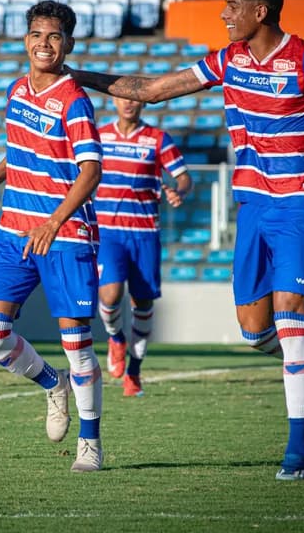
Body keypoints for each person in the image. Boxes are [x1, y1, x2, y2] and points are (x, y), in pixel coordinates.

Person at [67, 0, 304, 480]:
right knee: (254, 331)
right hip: (252, 207)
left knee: (292, 319)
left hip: (301, 206)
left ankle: (297, 451)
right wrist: (76, 76)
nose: (224, 14)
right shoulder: (228, 61)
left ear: (259, 11)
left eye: (231, 6)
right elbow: (153, 90)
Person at [0, 1, 105, 472]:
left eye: (54, 36)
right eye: (36, 34)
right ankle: (52, 384)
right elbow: (17, 151)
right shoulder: (16, 90)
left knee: (77, 345)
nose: (43, 44)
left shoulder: (74, 100)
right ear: (25, 39)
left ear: (68, 44)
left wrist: (55, 222)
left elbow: (91, 172)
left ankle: (90, 441)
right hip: (13, 231)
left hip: (64, 236)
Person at [95, 97, 192, 396]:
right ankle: (115, 337)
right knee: (110, 295)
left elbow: (183, 177)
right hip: (108, 231)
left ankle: (134, 372)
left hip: (144, 232)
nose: (128, 104)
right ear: (113, 100)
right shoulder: (99, 135)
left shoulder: (158, 139)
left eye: (134, 99)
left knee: (143, 303)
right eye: (123, 97)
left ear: (143, 104)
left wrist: (179, 192)